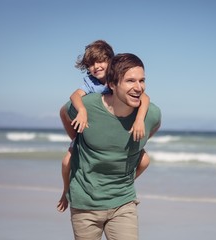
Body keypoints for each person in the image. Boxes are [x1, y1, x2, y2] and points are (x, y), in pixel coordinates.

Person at [63, 53, 161, 240]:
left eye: (142, 80)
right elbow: (64, 112)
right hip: (85, 205)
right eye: (130, 81)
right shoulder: (86, 106)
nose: (138, 87)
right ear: (112, 84)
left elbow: (153, 128)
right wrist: (75, 138)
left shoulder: (151, 115)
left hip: (123, 203)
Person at [57, 40, 151, 212]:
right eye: (91, 64)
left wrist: (139, 120)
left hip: (116, 136)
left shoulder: (118, 78)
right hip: (91, 136)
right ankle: (66, 191)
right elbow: (74, 96)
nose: (96, 67)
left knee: (145, 160)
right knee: (66, 162)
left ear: (111, 61)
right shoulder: (91, 82)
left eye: (101, 61)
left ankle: (123, 184)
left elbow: (144, 97)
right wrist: (82, 111)